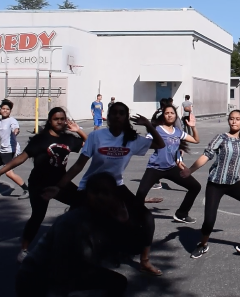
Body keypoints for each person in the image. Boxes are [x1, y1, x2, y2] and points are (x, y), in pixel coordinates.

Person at [43, 102, 165, 276]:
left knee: (147, 219)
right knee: (74, 225)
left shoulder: (131, 139)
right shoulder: (96, 136)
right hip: (91, 186)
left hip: (116, 186)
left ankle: (144, 261)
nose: (117, 116)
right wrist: (58, 187)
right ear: (109, 115)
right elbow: (79, 165)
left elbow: (160, 145)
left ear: (125, 117)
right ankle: (60, 260)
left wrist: (148, 125)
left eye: (121, 113)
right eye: (114, 112)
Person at [0, 107, 87, 262]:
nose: (60, 121)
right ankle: (24, 249)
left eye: (62, 118)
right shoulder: (41, 139)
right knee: (38, 216)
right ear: (50, 121)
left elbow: (89, 145)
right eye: (56, 119)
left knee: (83, 202)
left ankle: (67, 235)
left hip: (60, 183)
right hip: (39, 184)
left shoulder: (69, 139)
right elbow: (21, 158)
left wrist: (78, 130)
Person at [15, 172, 129, 297]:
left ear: (114, 196)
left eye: (105, 192)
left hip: (75, 270)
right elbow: (59, 271)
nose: (100, 196)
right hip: (37, 277)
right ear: (87, 194)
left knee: (118, 282)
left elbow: (121, 252)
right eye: (95, 192)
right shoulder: (72, 222)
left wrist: (123, 223)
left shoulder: (106, 217)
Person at [180, 110, 240, 259]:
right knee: (209, 220)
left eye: (237, 119)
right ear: (228, 121)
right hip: (216, 183)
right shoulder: (220, 138)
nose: (234, 121)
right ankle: (202, 244)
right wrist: (191, 170)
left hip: (233, 183)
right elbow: (206, 155)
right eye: (231, 119)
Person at [136, 104, 202, 223]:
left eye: (172, 113)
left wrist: (193, 127)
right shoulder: (157, 130)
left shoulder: (178, 132)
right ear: (163, 115)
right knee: (140, 193)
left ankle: (182, 213)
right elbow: (145, 142)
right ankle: (135, 218)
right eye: (167, 113)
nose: (170, 115)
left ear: (175, 116)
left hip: (171, 168)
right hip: (155, 168)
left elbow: (196, 140)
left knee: (195, 187)